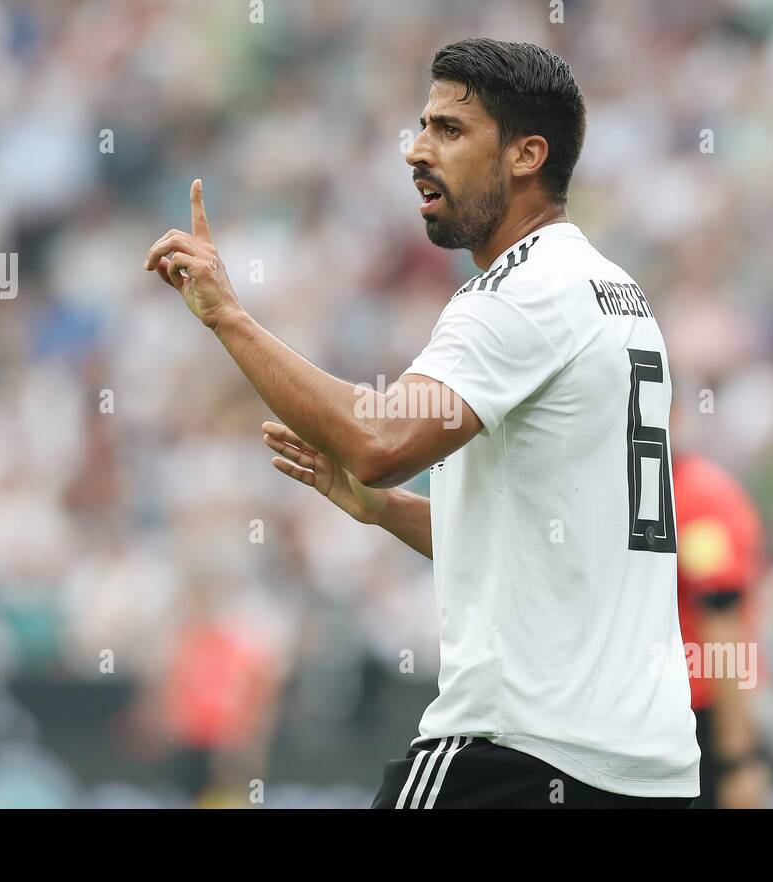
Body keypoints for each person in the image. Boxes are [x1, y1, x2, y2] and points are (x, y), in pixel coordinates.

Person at [143, 38, 697, 808]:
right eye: (420, 126)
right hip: (646, 770)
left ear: (526, 154)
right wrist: (386, 512)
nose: (415, 150)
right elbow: (554, 547)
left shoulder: (520, 292)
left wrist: (228, 317)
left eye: (448, 129)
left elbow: (380, 442)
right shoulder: (617, 295)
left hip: (519, 753)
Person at [673, 451, 773, 808]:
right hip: (675, 710)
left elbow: (720, 619)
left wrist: (736, 758)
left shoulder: (697, 496)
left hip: (702, 713)